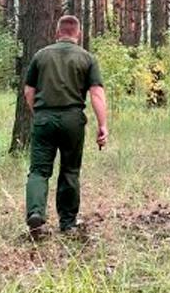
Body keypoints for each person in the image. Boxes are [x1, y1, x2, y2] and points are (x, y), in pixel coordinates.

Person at [22, 15, 109, 236]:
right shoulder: (87, 58)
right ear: (77, 34)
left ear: (57, 31)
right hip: (73, 120)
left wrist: (39, 113)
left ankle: (36, 215)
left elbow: (28, 91)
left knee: (39, 171)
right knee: (70, 171)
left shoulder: (41, 56)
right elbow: (97, 93)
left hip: (44, 118)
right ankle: (68, 223)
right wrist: (103, 125)